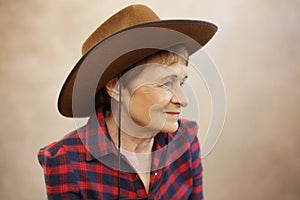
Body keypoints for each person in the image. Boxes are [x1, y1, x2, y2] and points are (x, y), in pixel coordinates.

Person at [38, 4, 217, 200]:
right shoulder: (66, 160)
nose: (184, 100)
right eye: (166, 83)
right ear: (116, 88)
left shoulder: (186, 139)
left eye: (181, 83)